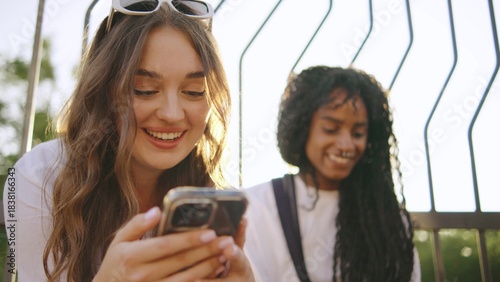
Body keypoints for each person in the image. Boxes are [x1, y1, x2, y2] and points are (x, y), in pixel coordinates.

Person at [3, 1, 254, 281]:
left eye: (194, 92)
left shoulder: (215, 204)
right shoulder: (39, 176)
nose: (171, 114)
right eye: (144, 90)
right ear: (104, 93)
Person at [244, 66, 421, 282]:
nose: (346, 145)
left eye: (358, 133)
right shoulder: (256, 207)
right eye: (330, 129)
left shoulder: (388, 219)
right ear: (303, 128)